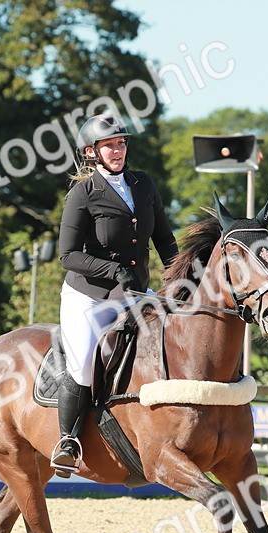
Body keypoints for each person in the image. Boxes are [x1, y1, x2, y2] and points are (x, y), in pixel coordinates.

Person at [51, 112, 179, 476]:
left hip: (134, 291)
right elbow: (68, 255)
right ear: (92, 152)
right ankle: (68, 441)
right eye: (110, 145)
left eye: (121, 143)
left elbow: (165, 241)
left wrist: (184, 277)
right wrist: (113, 270)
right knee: (83, 361)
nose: (118, 150)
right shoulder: (83, 193)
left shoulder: (143, 184)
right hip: (89, 297)